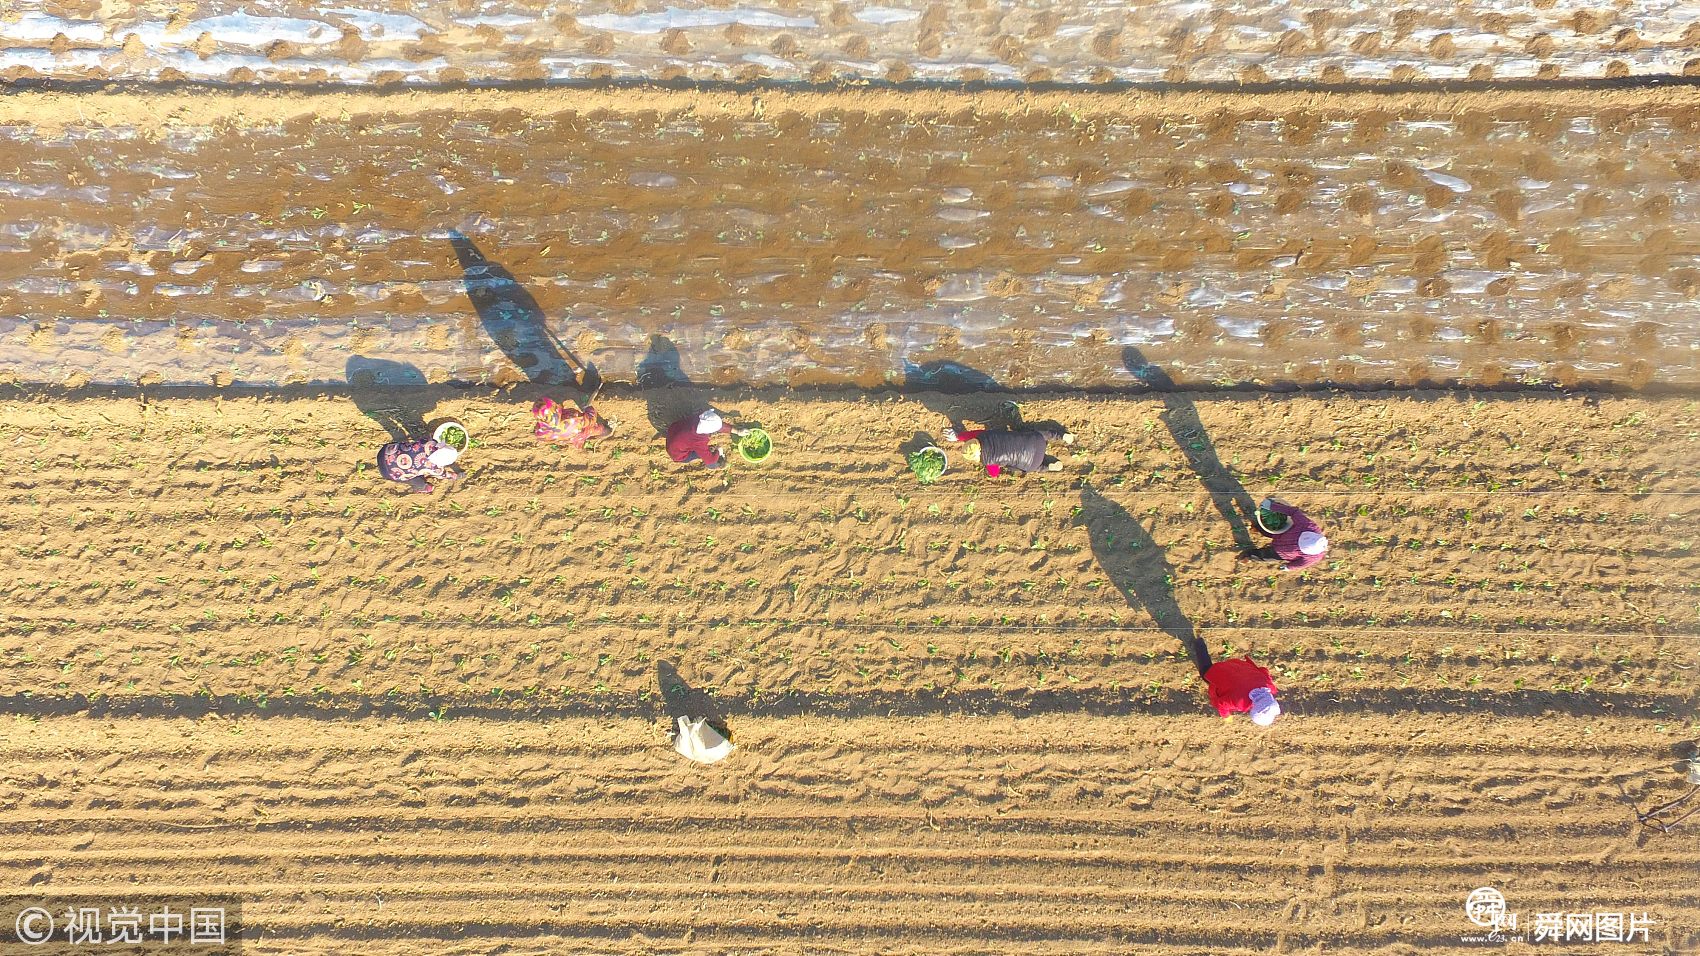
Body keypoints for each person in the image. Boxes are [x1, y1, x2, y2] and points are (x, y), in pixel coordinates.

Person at [942, 423, 1074, 477]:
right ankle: (1061, 436)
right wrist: (958, 436)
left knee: (1028, 467)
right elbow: (971, 434)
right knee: (1043, 435)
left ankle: (1049, 466)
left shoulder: (988, 461)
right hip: (1036, 441)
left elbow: (994, 474)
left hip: (1033, 462)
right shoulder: (985, 435)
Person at [1241, 497, 1328, 571]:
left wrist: (1288, 567)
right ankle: (1255, 527)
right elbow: (1294, 512)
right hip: (1282, 533)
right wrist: (1272, 506)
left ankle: (1249, 555)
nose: (1297, 542)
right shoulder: (1307, 525)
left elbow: (1300, 564)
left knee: (1264, 555)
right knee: (1266, 530)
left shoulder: (1312, 558)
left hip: (1280, 553)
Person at [1198, 652, 1282, 726]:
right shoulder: (1240, 702)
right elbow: (1221, 704)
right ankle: (1199, 644)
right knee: (1206, 671)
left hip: (1238, 666)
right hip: (1222, 672)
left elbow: (1264, 670)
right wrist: (1226, 716)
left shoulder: (1269, 687)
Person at [666, 409, 747, 469]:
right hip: (677, 454)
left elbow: (718, 426)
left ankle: (709, 451)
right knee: (712, 464)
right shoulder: (699, 441)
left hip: (673, 430)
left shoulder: (701, 417)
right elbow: (711, 462)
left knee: (705, 450)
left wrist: (737, 431)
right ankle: (706, 453)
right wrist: (719, 452)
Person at [377, 437, 462, 493]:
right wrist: (454, 475)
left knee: (403, 446)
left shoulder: (426, 443)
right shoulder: (434, 468)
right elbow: (443, 475)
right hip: (388, 472)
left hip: (385, 451)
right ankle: (422, 487)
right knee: (416, 479)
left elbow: (425, 439)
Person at [532, 397, 611, 448]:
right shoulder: (572, 418)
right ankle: (605, 431)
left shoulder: (540, 432)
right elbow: (590, 421)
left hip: (564, 438)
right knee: (594, 429)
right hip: (578, 432)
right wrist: (589, 409)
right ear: (556, 410)